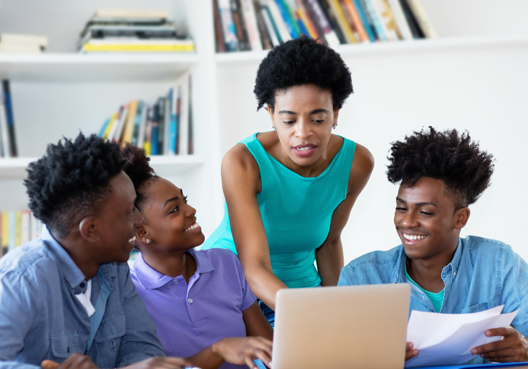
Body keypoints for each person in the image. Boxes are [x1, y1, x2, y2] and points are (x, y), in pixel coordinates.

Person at [201, 36, 374, 325]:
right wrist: (304, 315)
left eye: (318, 119)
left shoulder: (357, 164)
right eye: (289, 120)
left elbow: (329, 244)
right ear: (270, 114)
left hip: (300, 292)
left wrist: (339, 314)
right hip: (232, 292)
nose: (303, 133)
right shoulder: (243, 163)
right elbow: (253, 267)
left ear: (335, 115)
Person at [0, 133, 191, 369]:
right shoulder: (19, 279)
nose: (140, 219)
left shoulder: (116, 268)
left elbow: (143, 348)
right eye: (130, 211)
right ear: (90, 229)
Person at [338, 127, 528, 364]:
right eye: (401, 208)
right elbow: (334, 360)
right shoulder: (361, 279)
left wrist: (526, 348)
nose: (407, 222)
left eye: (425, 211)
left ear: (461, 218)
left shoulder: (499, 265)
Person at [120, 144, 273, 369]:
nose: (191, 210)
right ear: (141, 232)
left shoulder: (226, 262)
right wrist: (218, 350)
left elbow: (270, 350)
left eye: (185, 199)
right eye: (174, 209)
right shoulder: (130, 294)